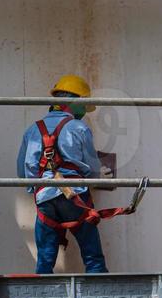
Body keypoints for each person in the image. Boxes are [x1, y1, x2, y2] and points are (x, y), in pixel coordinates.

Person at [16, 73, 109, 274]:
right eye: (84, 106)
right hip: (75, 196)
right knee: (92, 255)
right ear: (73, 102)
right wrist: (95, 181)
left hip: (45, 198)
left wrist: (36, 188)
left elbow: (23, 169)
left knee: (45, 259)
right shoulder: (79, 127)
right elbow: (92, 166)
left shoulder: (32, 130)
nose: (84, 112)